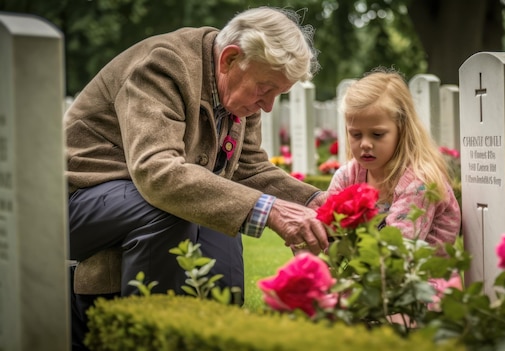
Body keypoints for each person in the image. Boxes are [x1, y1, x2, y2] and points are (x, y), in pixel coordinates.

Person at [65, 6, 328, 350]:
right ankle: (150, 338)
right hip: (73, 205)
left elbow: (249, 168)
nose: (267, 106)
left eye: (276, 95)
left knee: (223, 223)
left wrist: (317, 202)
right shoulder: (164, 65)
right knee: (170, 209)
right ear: (229, 59)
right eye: (265, 89)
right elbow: (157, 171)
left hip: (127, 200)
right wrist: (270, 211)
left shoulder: (238, 91)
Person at [327, 67, 460, 253]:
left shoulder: (419, 181)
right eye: (356, 134)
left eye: (377, 134)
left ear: (401, 129)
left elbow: (397, 251)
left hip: (418, 276)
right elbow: (326, 228)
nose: (365, 144)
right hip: (371, 273)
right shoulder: (348, 175)